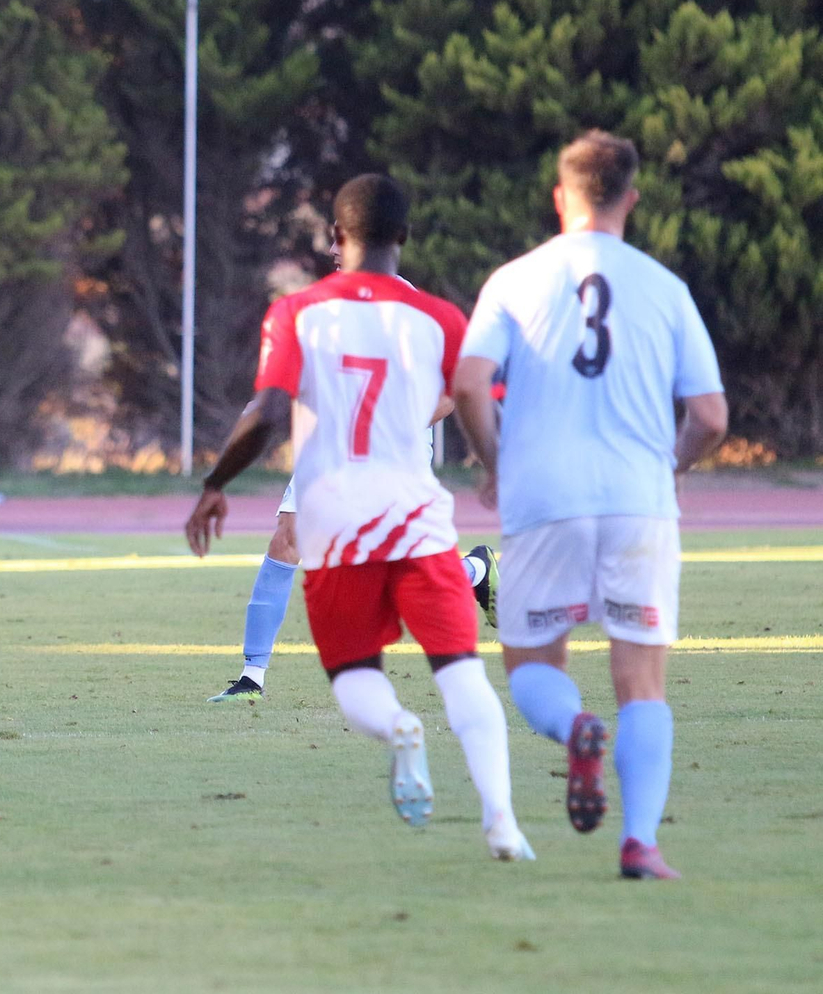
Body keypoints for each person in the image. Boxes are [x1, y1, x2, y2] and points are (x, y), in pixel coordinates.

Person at [187, 174, 533, 861]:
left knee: (354, 680)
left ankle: (398, 726)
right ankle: (503, 823)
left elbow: (268, 411)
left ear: (335, 237)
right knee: (461, 672)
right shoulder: (439, 317)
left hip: (337, 520)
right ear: (403, 236)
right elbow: (472, 392)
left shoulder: (297, 313)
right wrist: (496, 463)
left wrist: (216, 483)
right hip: (413, 516)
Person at [454, 131, 726, 880]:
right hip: (640, 501)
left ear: (559, 197)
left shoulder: (514, 280)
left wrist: (497, 462)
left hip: (544, 498)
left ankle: (576, 725)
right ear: (630, 199)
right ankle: (640, 843)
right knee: (642, 683)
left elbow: (469, 384)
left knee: (532, 664)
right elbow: (710, 416)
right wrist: (673, 466)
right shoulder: (665, 288)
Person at [207, 231, 501, 705]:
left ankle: (474, 571)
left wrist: (391, 425)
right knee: (287, 537)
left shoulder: (412, 308)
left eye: (341, 240)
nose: (332, 251)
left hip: (396, 451)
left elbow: (450, 395)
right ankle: (251, 677)